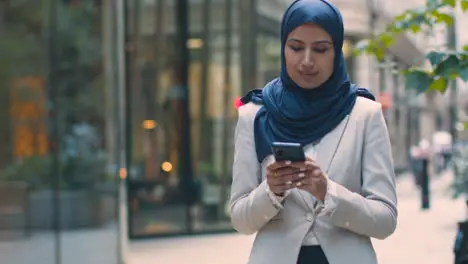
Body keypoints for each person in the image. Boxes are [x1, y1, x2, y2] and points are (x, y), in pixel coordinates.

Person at [229, 1, 398, 264]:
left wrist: (326, 191)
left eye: (320, 49)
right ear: (283, 47)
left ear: (337, 52)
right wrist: (271, 190)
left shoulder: (365, 114)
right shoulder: (255, 114)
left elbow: (386, 220)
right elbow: (240, 219)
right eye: (296, 47)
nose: (307, 61)